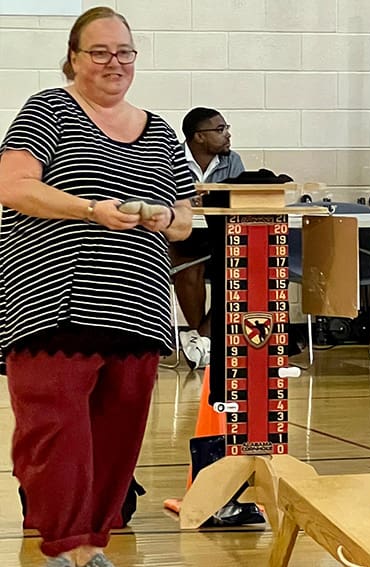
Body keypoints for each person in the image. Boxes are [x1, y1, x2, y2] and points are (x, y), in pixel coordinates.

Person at [0, 7, 194, 567]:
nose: (115, 63)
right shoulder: (48, 110)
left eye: (125, 52)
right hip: (51, 307)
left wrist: (162, 218)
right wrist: (90, 210)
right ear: (74, 58)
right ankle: (63, 548)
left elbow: (184, 218)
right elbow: (14, 186)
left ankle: (92, 545)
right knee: (54, 437)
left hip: (138, 311)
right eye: (100, 52)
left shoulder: (158, 128)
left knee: (116, 440)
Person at [174, 107, 245, 369]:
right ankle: (201, 339)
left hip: (221, 235)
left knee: (239, 272)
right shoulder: (171, 160)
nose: (227, 135)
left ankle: (200, 340)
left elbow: (238, 199)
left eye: (226, 129)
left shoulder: (232, 161)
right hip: (182, 234)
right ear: (199, 137)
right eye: (220, 130)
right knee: (189, 269)